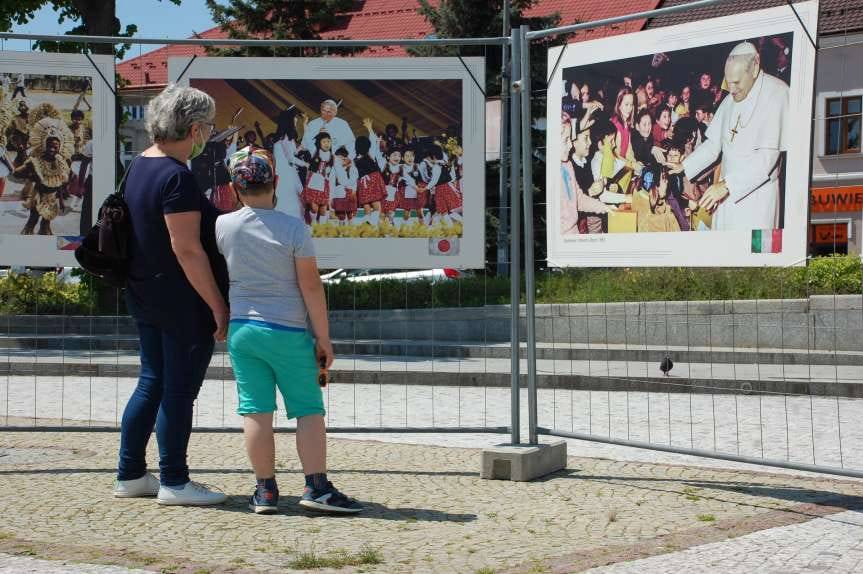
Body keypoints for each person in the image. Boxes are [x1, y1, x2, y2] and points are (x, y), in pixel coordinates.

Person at [217, 146, 363, 515]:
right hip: (287, 331)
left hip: (243, 330)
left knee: (255, 412)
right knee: (308, 410)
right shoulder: (294, 229)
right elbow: (311, 286)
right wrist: (323, 338)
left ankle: (265, 492)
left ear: (235, 188)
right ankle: (316, 487)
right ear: (276, 182)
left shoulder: (222, 226)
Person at [113, 84, 229, 506]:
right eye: (208, 128)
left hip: (143, 292)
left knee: (152, 382)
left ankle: (129, 474)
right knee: (179, 391)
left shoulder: (141, 164)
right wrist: (217, 304)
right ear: (194, 129)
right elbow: (187, 249)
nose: (209, 135)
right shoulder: (177, 177)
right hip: (180, 300)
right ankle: (175, 481)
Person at [668, 42, 789, 231]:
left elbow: (767, 160)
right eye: (728, 82)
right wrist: (684, 166)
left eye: (737, 82)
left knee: (755, 258)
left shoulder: (778, 93)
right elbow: (714, 144)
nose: (731, 90)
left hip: (757, 200)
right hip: (724, 198)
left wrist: (726, 186)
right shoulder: (730, 99)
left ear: (755, 67)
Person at [14, 117, 73, 235]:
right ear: (44, 145)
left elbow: (62, 183)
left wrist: (61, 200)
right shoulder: (36, 161)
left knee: (46, 223)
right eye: (49, 145)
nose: (52, 149)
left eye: (55, 146)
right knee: (33, 220)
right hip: (38, 197)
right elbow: (16, 173)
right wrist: (31, 174)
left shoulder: (62, 162)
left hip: (52, 199)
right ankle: (26, 241)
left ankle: (43, 243)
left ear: (60, 147)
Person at [560, 120, 609, 235]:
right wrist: (591, 191)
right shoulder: (569, 165)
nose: (570, 144)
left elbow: (578, 198)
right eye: (586, 138)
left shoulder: (569, 165)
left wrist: (605, 207)